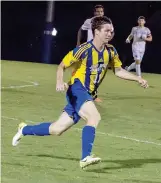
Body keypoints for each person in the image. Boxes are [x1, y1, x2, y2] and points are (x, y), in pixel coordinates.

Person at [12, 16, 149, 169]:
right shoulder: (83, 49)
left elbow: (118, 71)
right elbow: (62, 66)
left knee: (57, 129)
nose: (110, 33)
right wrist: (59, 81)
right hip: (77, 89)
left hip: (87, 94)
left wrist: (137, 78)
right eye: (107, 30)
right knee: (94, 117)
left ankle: (24, 129)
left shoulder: (110, 51)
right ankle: (85, 158)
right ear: (96, 32)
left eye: (112, 31)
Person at [77, 4, 114, 102]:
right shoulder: (89, 21)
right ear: (94, 13)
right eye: (98, 12)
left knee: (97, 71)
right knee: (88, 70)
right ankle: (86, 93)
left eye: (101, 12)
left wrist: (107, 40)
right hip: (90, 48)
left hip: (101, 49)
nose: (100, 13)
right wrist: (78, 43)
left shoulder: (107, 22)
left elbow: (112, 32)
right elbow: (81, 30)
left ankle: (92, 93)